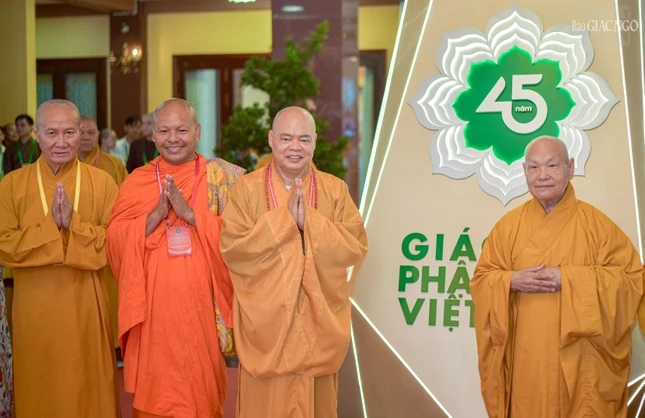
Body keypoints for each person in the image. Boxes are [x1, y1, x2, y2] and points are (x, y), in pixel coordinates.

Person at [471, 136, 644, 418]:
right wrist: (511, 281)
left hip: (579, 364)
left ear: (570, 168)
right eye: (534, 167)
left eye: (552, 165)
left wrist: (570, 279)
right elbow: (482, 279)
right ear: (524, 171)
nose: (542, 175)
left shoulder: (598, 227)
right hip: (526, 362)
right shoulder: (506, 228)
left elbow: (631, 280)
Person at [220, 106, 368, 417]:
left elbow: (354, 246)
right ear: (271, 139)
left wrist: (310, 223)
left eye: (304, 139)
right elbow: (233, 248)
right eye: (286, 138)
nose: (295, 147)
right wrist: (284, 222)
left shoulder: (335, 190)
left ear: (315, 141)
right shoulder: (246, 190)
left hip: (317, 329)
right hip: (267, 329)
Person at [107, 98, 243, 418]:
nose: (173, 138)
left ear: (197, 132)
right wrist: (155, 215)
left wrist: (192, 215)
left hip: (203, 313)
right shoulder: (137, 181)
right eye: (165, 131)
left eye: (182, 130)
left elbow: (243, 239)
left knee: (199, 395)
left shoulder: (222, 178)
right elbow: (114, 241)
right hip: (153, 314)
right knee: (157, 394)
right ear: (153, 134)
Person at [0, 100, 121, 417]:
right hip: (34, 306)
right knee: (39, 387)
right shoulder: (11, 185)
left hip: (85, 304)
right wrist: (51, 226)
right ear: (37, 134)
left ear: (81, 132)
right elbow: (4, 245)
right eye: (52, 133)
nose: (61, 142)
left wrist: (74, 225)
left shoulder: (103, 183)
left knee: (87, 385)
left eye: (69, 132)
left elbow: (116, 243)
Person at [79, 116, 128, 351]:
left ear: (98, 135)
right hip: (77, 243)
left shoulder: (114, 165)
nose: (86, 137)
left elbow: (128, 202)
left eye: (91, 132)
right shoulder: (63, 166)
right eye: (81, 133)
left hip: (108, 241)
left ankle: (114, 346)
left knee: (110, 297)